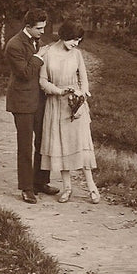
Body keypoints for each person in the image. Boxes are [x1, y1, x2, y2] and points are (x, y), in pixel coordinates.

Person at [39, 20, 100, 204]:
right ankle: (67, 188)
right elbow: (42, 81)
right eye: (73, 39)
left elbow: (84, 79)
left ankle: (92, 188)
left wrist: (81, 95)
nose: (76, 44)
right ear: (63, 36)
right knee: (61, 145)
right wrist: (58, 91)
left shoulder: (77, 54)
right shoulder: (48, 54)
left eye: (79, 40)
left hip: (75, 104)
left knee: (80, 144)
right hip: (56, 103)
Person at [4, 8, 60, 204]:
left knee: (43, 142)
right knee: (25, 145)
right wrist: (39, 57)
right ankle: (27, 188)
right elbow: (25, 73)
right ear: (27, 26)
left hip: (39, 100)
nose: (42, 32)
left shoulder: (38, 41)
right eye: (38, 29)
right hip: (21, 102)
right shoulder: (14, 45)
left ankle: (40, 182)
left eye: (43, 28)